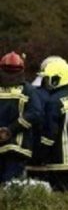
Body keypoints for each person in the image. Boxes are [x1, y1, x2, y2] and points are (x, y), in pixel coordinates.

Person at [38, 58, 68, 191]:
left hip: (60, 161)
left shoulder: (54, 101)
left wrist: (40, 155)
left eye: (48, 79)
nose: (46, 83)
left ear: (55, 79)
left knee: (59, 196)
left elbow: (50, 133)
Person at [0, 51, 43, 184]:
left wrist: (9, 130)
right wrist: (11, 130)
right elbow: (36, 114)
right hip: (18, 147)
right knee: (11, 187)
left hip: (14, 148)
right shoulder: (28, 91)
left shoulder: (28, 90)